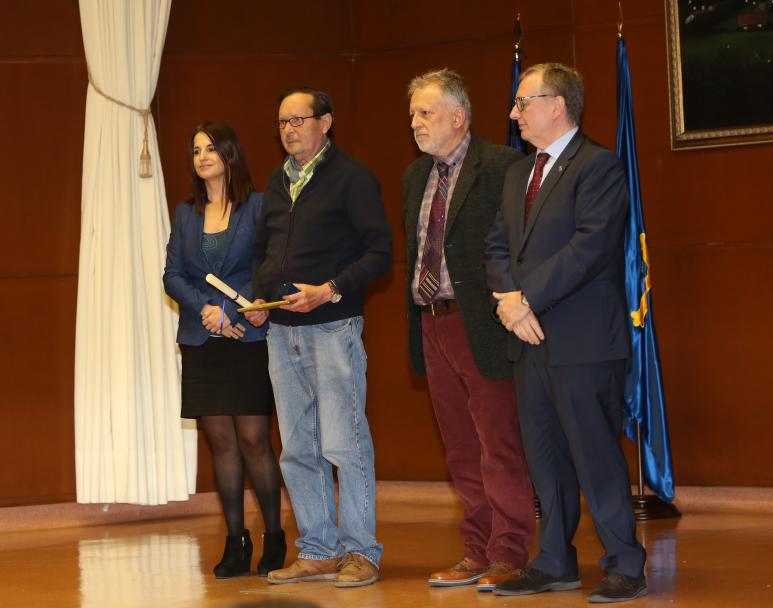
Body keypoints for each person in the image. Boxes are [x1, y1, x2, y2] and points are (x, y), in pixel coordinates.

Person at [485, 63, 648, 603]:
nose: (514, 114)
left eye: (522, 103)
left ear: (557, 105)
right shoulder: (516, 175)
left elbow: (591, 247)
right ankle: (555, 560)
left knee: (595, 454)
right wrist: (511, 305)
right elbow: (497, 248)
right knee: (544, 457)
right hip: (526, 338)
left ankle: (624, 563)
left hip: (581, 341)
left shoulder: (599, 167)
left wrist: (524, 298)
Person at [245, 88, 392, 588]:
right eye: (282, 121)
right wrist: (261, 300)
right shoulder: (276, 181)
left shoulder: (352, 178)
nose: (288, 129)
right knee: (295, 448)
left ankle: (360, 552)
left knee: (344, 444)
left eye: (299, 119)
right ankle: (317, 548)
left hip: (332, 328)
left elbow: (379, 253)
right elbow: (263, 251)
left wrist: (330, 290)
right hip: (281, 334)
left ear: (325, 122)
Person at [403, 68, 536, 592]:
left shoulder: (503, 166)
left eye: (425, 112)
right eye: (412, 113)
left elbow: (516, 250)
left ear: (458, 117)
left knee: (497, 444)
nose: (414, 122)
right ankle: (476, 550)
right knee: (459, 448)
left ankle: (509, 551)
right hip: (431, 325)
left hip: (482, 325)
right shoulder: (414, 176)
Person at [163, 122, 285, 579]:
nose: (202, 157)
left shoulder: (257, 205)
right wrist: (208, 310)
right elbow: (173, 274)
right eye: (195, 150)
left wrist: (236, 307)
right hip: (202, 339)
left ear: (230, 154)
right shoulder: (185, 213)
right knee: (221, 444)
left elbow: (272, 262)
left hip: (249, 338)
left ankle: (274, 535)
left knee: (254, 440)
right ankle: (236, 541)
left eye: (210, 148)